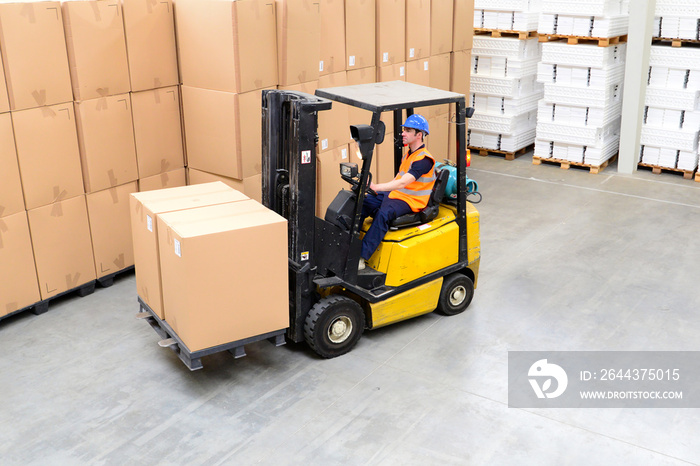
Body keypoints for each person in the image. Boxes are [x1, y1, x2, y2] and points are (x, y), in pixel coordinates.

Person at [359, 114, 436, 270]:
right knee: (365, 201)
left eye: (408, 130)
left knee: (383, 213)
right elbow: (398, 181)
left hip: (411, 201)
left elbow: (403, 182)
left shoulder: (424, 160)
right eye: (404, 130)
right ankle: (347, 241)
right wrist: (373, 191)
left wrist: (376, 187)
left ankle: (361, 257)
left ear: (419, 135)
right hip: (398, 195)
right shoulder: (409, 154)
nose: (403, 133)